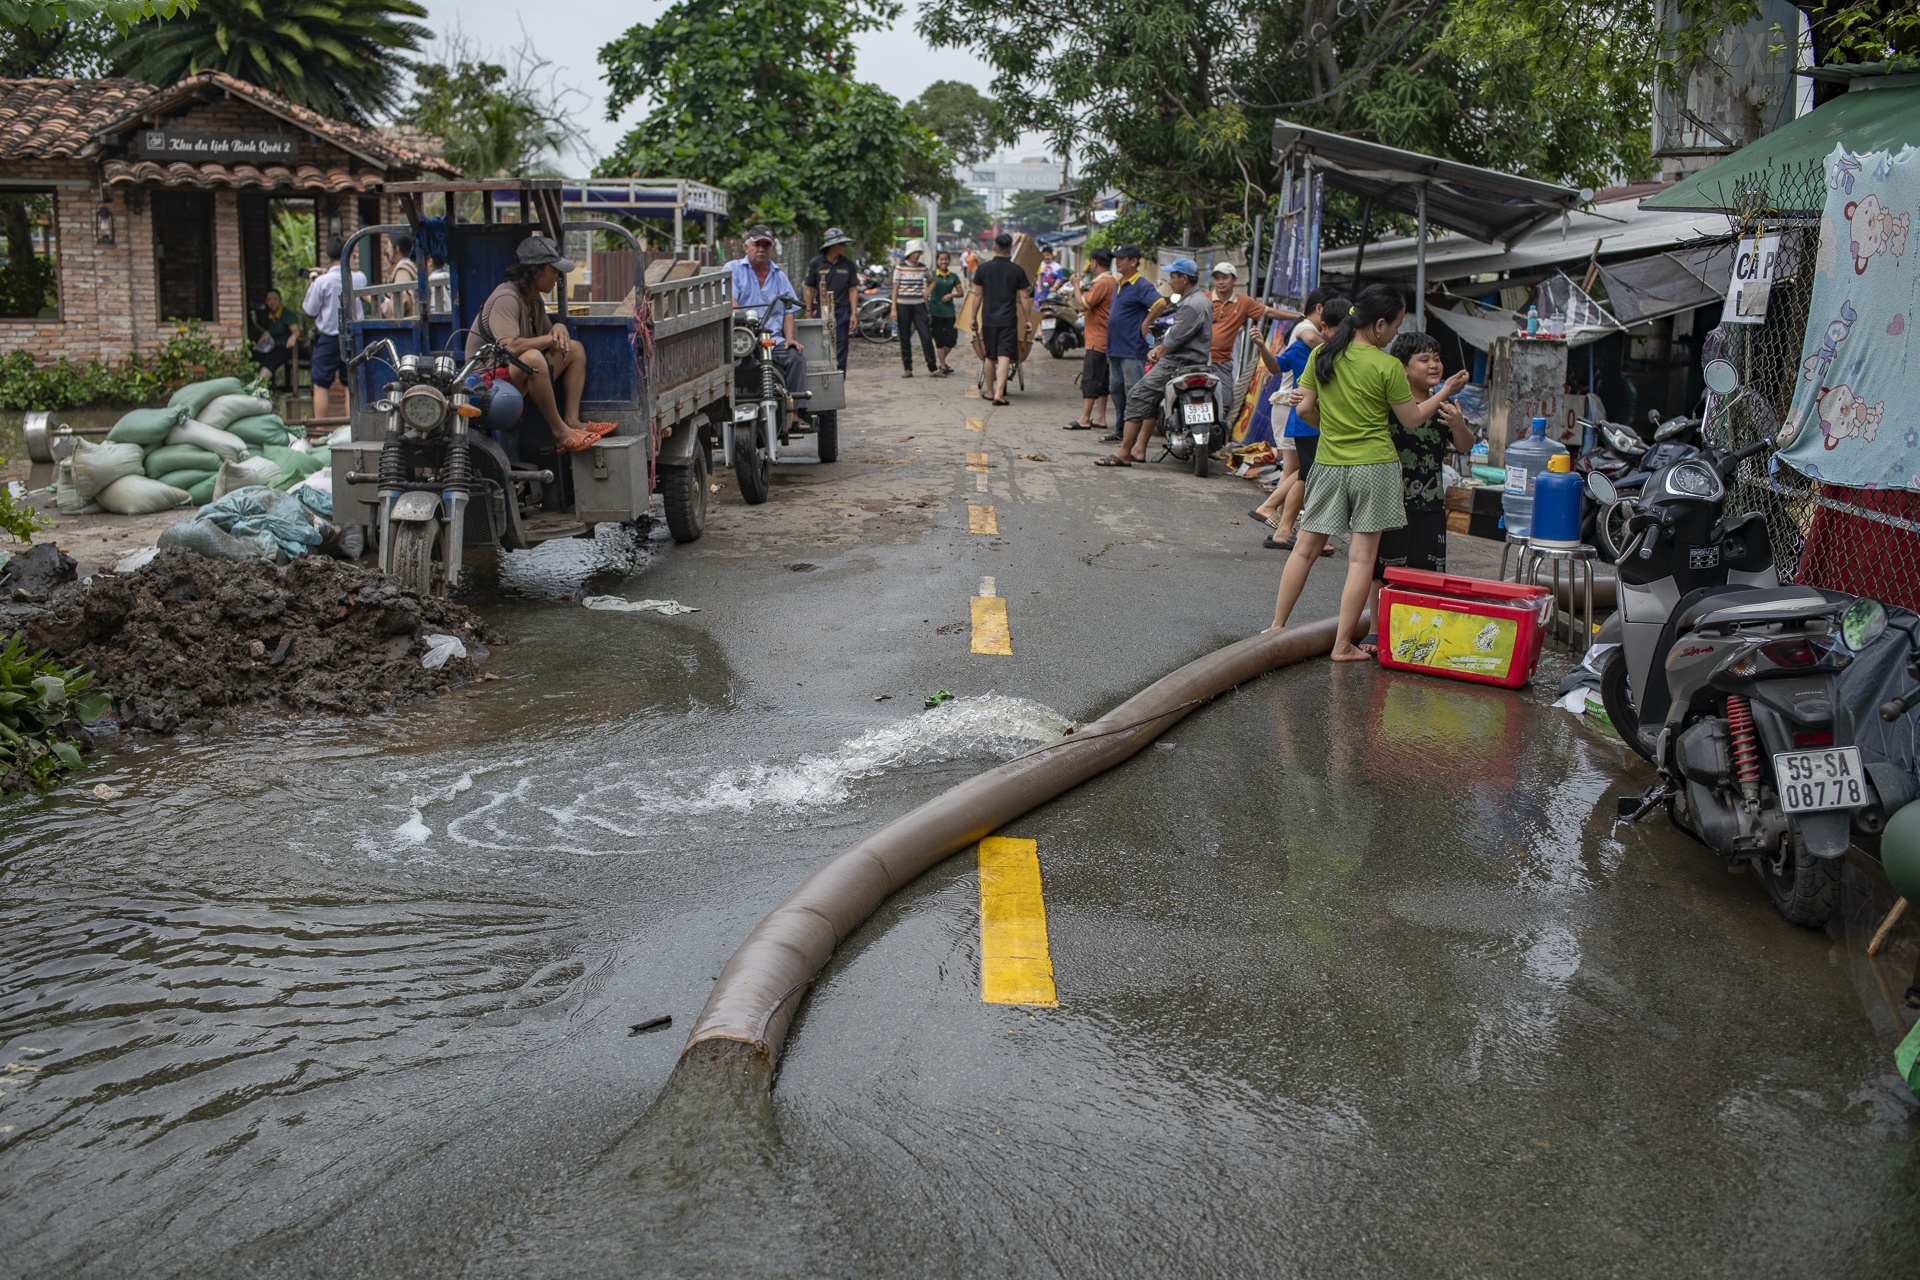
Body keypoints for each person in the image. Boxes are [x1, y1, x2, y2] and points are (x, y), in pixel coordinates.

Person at [1265, 284, 1469, 659]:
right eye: (1395, 325)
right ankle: (1343, 645)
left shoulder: (1323, 356)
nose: (1395, 333)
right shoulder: (1386, 365)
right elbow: (1411, 420)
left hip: (1328, 462)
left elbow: (1306, 410)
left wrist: (1335, 423)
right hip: (1374, 467)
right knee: (1361, 559)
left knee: (1305, 548)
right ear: (1378, 325)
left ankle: (1277, 626)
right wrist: (1444, 391)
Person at [465, 235, 610, 453]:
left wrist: (557, 328)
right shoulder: (506, 298)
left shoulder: (533, 300)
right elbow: (509, 347)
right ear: (536, 272)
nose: (557, 278)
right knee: (532, 358)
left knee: (574, 349)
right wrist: (550, 337)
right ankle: (560, 433)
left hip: (511, 375)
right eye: (553, 271)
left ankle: (572, 421)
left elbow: (548, 337)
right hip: (486, 383)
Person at [1375, 330, 1474, 579]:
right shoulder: (1390, 405)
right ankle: (1378, 621)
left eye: (1437, 359)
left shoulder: (1445, 407)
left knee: (1427, 576)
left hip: (1431, 505)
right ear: (1403, 367)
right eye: (1424, 359)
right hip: (1392, 504)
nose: (1434, 365)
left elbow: (1465, 446)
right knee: (1384, 574)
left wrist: (1458, 424)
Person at [1097, 258, 1210, 468]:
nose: (1170, 281)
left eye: (1173, 277)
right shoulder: (1198, 301)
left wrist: (1158, 352)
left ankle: (1124, 452)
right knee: (1148, 397)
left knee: (1138, 395)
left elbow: (1174, 339)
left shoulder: (1191, 305)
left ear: (1184, 279)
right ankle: (1139, 449)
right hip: (1194, 361)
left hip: (1178, 364)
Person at [1253, 292, 1346, 547]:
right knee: (1310, 477)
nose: (1343, 337)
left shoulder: (1331, 353)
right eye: (1340, 330)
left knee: (1304, 475)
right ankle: (1303, 533)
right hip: (1306, 423)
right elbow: (1276, 366)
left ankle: (1283, 528)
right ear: (1323, 325)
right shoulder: (1309, 343)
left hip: (1316, 423)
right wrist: (1262, 346)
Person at [1205, 262, 1296, 423]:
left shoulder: (1243, 302)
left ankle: (1219, 443)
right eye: (1217, 278)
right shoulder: (1204, 299)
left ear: (1234, 280)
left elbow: (1269, 312)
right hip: (1199, 359)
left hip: (1222, 362)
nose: (1220, 282)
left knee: (1225, 403)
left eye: (1224, 278)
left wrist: (1298, 317)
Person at [726, 224, 807, 403]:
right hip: (741, 339)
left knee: (796, 358)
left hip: (772, 340)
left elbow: (788, 309)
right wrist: (743, 325)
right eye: (757, 245)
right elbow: (731, 300)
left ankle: (795, 414)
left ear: (772, 250)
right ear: (746, 247)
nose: (761, 250)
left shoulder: (779, 276)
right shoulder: (734, 269)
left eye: (766, 246)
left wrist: (789, 338)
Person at [301, 235, 365, 421]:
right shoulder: (359, 278)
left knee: (320, 383)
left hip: (329, 337)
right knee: (350, 383)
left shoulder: (322, 281)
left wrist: (313, 282)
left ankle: (320, 430)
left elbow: (310, 310)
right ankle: (352, 429)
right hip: (353, 336)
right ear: (350, 254)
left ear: (328, 254)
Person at [1103, 244, 1158, 444]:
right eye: (1116, 258)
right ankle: (1120, 428)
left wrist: (1145, 323)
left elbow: (1159, 303)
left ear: (1133, 261)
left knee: (1133, 391)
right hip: (1115, 346)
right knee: (1116, 389)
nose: (1117, 262)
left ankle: (1134, 435)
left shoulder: (1141, 285)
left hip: (1132, 347)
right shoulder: (1120, 284)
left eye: (1121, 258)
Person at [973, 232, 1031, 406]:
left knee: (989, 356)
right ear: (1010, 249)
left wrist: (972, 317)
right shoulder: (1017, 270)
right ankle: (1000, 393)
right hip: (1008, 320)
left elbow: (977, 296)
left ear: (994, 247)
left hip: (989, 319)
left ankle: (990, 391)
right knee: (1004, 355)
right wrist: (1028, 319)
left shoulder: (983, 269)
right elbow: (1024, 298)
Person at [1066, 246, 1114, 432]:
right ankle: (1100, 416)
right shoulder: (1112, 282)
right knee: (1102, 380)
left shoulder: (1102, 283)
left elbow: (1082, 305)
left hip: (1097, 338)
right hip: (1105, 337)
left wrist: (1076, 285)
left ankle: (1085, 417)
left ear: (1094, 263)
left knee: (1091, 378)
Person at [804, 226, 859, 373]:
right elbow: (810, 289)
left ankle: (839, 382)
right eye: (842, 244)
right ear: (832, 246)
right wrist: (808, 314)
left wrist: (853, 313)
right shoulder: (816, 263)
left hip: (842, 310)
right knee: (821, 347)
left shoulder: (848, 265)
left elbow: (853, 289)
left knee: (840, 348)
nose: (845, 247)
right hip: (822, 310)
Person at [891, 239, 939, 377]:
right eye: (914, 253)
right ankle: (908, 368)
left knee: (926, 336)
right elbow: (895, 289)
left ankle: (932, 367)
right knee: (904, 337)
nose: (917, 255)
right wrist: (893, 308)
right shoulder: (899, 268)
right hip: (902, 305)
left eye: (918, 253)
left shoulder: (923, 268)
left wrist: (927, 293)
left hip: (919, 305)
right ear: (909, 254)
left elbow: (932, 281)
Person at [250, 287, 299, 392]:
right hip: (271, 346)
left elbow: (296, 331)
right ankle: (254, 383)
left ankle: (259, 387)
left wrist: (293, 337)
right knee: (255, 355)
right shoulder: (267, 316)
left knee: (271, 361)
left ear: (280, 300)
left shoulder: (287, 315)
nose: (272, 302)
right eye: (269, 299)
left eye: (275, 299)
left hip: (285, 347)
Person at [928, 250, 964, 376]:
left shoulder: (954, 277)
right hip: (935, 311)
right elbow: (925, 292)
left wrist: (951, 295)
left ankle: (942, 361)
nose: (944, 262)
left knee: (952, 339)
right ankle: (943, 366)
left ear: (949, 261)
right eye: (941, 259)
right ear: (937, 261)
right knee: (939, 340)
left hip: (949, 312)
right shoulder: (931, 275)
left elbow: (961, 293)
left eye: (946, 259)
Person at [381, 231, 418, 318]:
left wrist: (384, 306)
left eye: (388, 247)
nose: (386, 250)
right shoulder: (410, 266)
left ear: (397, 249)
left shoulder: (403, 272)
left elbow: (399, 304)